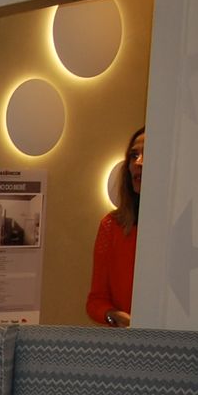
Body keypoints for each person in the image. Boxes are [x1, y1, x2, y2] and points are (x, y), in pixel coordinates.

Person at [87, 126, 144, 327]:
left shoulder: (178, 229)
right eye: (134, 155)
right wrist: (113, 316)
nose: (138, 162)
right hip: (126, 341)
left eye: (148, 154)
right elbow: (96, 301)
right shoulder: (111, 226)